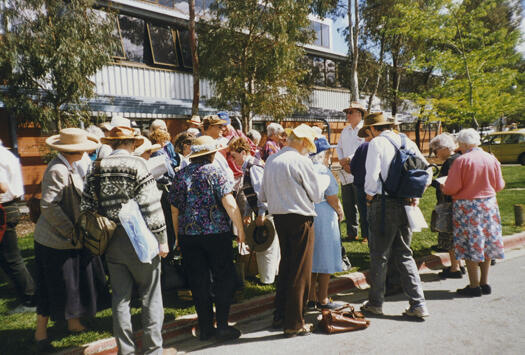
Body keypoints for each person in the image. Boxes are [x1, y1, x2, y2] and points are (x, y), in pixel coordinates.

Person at [81, 126, 170, 354]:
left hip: (111, 240)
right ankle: (153, 350)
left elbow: (86, 207)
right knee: (150, 296)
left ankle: (126, 350)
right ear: (132, 143)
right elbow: (151, 205)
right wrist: (162, 238)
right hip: (141, 238)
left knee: (120, 299)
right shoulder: (137, 165)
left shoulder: (95, 167)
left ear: (111, 143)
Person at [34, 129, 110, 353]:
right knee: (50, 287)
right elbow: (48, 206)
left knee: (72, 283)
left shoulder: (74, 165)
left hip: (69, 239)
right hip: (54, 241)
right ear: (72, 150)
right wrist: (71, 231)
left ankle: (73, 322)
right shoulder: (57, 170)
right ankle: (40, 334)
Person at [169, 135, 246, 341]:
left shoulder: (181, 175)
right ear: (212, 154)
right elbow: (230, 204)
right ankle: (222, 325)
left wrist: (177, 237)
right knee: (223, 278)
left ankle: (205, 328)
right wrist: (240, 231)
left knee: (198, 281)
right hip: (215, 233)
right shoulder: (215, 172)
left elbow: (174, 210)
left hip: (188, 235)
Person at [360, 112, 431, 319]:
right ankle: (418, 304)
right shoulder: (406, 140)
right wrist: (415, 194)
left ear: (373, 128)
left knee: (379, 255)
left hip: (383, 203)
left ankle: (375, 303)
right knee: (404, 254)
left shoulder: (377, 143)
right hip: (405, 202)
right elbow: (427, 170)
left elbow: (372, 177)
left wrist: (369, 197)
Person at [261, 124, 325, 337]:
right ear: (303, 143)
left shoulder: (272, 160)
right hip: (300, 217)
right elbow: (316, 195)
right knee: (300, 270)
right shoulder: (301, 161)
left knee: (287, 265)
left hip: (279, 216)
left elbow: (263, 195)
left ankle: (280, 314)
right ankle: (294, 322)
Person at [441, 128, 505, 297]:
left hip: (467, 207)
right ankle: (484, 282)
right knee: (487, 243)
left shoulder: (462, 161)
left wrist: (443, 187)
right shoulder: (491, 159)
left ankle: (474, 285)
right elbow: (499, 185)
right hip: (489, 205)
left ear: (462, 143)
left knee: (470, 243)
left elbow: (451, 188)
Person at [228, 137, 279, 285]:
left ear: (243, 152)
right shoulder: (248, 166)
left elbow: (261, 191)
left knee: (266, 245)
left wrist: (262, 213)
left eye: (234, 156)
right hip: (261, 211)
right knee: (266, 244)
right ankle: (271, 276)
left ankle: (267, 279)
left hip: (267, 212)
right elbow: (250, 193)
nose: (233, 160)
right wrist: (246, 214)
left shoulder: (254, 167)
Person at [307, 137, 344, 310]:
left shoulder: (305, 168)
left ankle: (310, 296)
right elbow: (332, 197)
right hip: (324, 213)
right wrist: (339, 210)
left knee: (313, 256)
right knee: (326, 256)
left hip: (310, 212)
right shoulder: (323, 170)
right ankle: (323, 298)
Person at [0, 140, 36, 314]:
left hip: (3, 208)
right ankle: (24, 293)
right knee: (8, 258)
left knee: (11, 258)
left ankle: (30, 299)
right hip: (10, 206)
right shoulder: (7, 154)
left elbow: (2, 186)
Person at [429, 133, 464, 278]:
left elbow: (446, 182)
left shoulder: (451, 161)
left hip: (449, 202)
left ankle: (454, 268)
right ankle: (459, 264)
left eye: (435, 150)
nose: (435, 154)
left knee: (450, 236)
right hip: (457, 201)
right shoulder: (458, 158)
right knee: (455, 235)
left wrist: (430, 181)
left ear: (443, 148)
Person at [337, 102, 366, 242]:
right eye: (347, 113)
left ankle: (366, 234)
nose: (347, 115)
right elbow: (339, 147)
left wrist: (349, 160)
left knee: (362, 204)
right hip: (346, 172)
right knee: (348, 204)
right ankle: (351, 232)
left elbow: (363, 149)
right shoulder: (345, 130)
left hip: (360, 172)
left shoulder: (365, 130)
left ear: (359, 114)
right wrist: (342, 161)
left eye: (350, 112)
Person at [201, 115, 235, 183]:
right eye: (219, 127)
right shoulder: (200, 145)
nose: (222, 129)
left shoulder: (224, 142)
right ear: (210, 127)